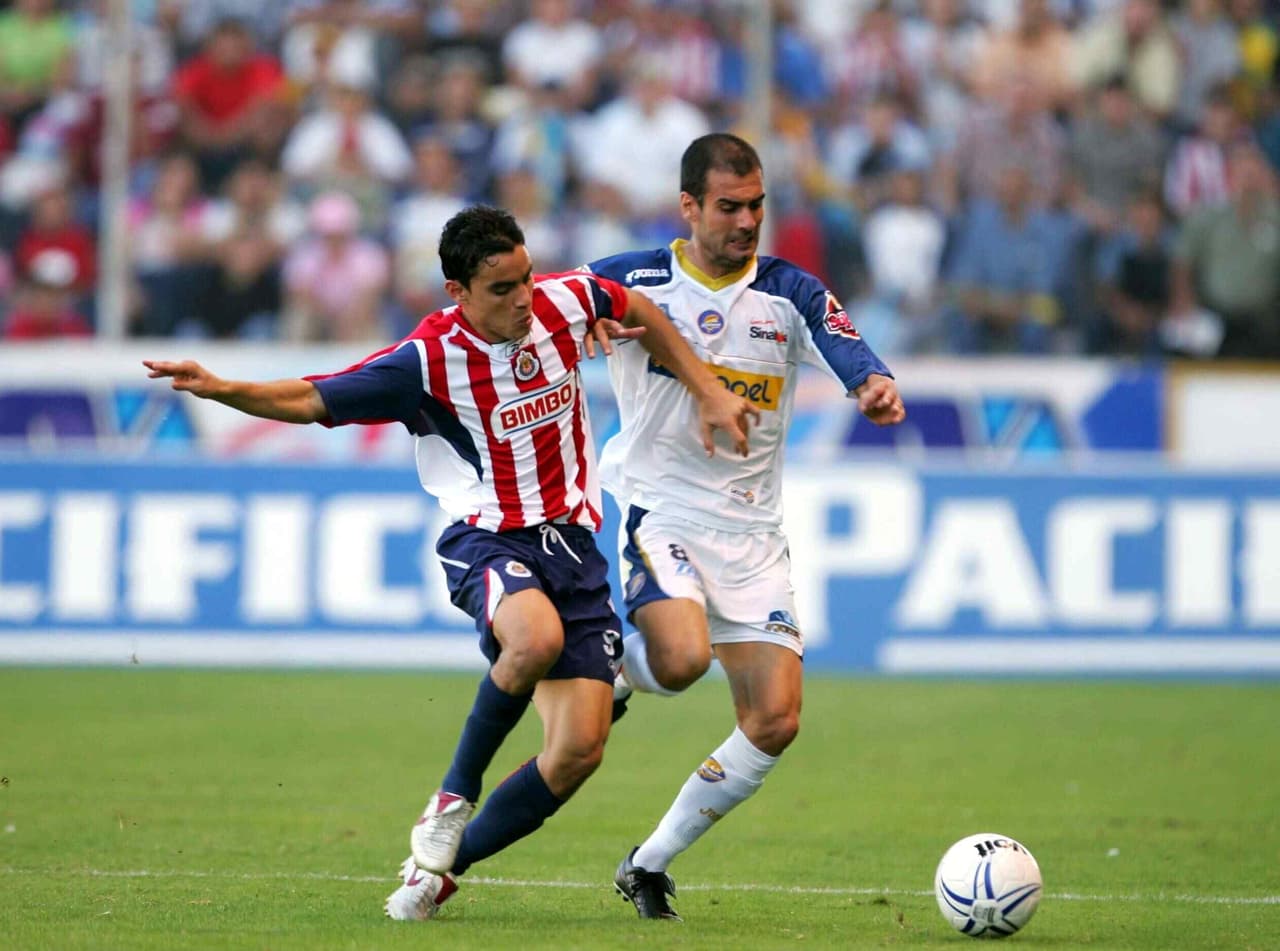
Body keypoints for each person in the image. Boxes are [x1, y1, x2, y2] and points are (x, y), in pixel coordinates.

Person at [144, 205, 757, 922]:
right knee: (534, 639)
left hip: (576, 550)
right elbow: (313, 396)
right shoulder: (427, 359)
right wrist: (222, 388)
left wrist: (708, 388)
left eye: (526, 277)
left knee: (578, 750)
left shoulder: (563, 301)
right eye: (502, 288)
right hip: (489, 537)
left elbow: (635, 304)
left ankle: (436, 871)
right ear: (456, 291)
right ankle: (452, 795)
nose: (524, 297)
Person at [584, 134, 905, 921]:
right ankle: (622, 670)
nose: (746, 221)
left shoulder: (790, 291)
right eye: (729, 206)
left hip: (754, 537)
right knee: (686, 658)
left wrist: (874, 386)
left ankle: (648, 862)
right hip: (666, 515)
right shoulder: (628, 280)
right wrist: (578, 329)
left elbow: (851, 349)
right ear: (688, 206)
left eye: (757, 204)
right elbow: (532, 316)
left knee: (775, 719)